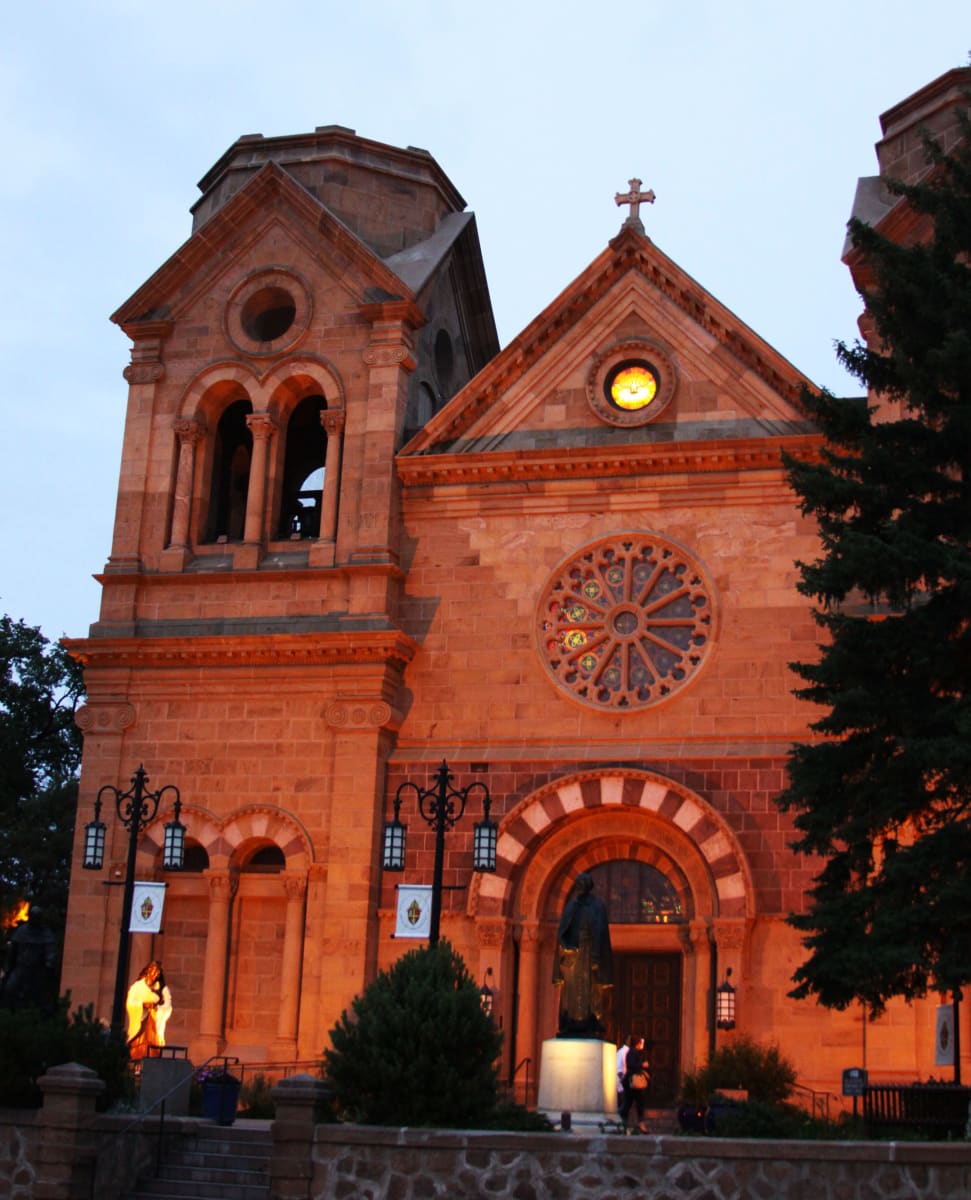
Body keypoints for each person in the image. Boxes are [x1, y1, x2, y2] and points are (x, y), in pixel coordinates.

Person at [552, 872, 613, 1036]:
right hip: (574, 956)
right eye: (578, 884)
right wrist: (566, 945)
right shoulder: (572, 906)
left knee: (592, 989)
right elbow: (563, 932)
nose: (579, 887)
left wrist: (596, 956)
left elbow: (600, 932)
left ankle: (591, 1020)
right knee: (571, 990)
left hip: (591, 954)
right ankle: (570, 1021)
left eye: (582, 884)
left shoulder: (597, 906)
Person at [125, 960, 173, 1061]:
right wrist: (142, 1005)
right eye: (154, 971)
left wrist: (157, 1008)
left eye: (158, 973)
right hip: (141, 1024)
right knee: (139, 1048)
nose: (155, 974)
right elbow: (130, 1003)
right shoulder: (137, 987)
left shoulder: (163, 989)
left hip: (154, 1025)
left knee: (152, 1049)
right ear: (148, 971)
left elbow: (168, 1006)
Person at [621, 1035, 650, 1133]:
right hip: (633, 1082)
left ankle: (624, 1123)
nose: (643, 1044)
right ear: (638, 1043)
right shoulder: (633, 1052)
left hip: (631, 1081)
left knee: (629, 1102)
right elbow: (631, 1065)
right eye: (641, 1042)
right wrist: (642, 1065)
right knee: (636, 1102)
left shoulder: (632, 1052)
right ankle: (638, 1123)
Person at [616, 1034, 631, 1116]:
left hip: (625, 1081)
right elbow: (619, 1068)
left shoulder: (627, 1051)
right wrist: (623, 1080)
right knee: (624, 1102)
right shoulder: (623, 1052)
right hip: (622, 1081)